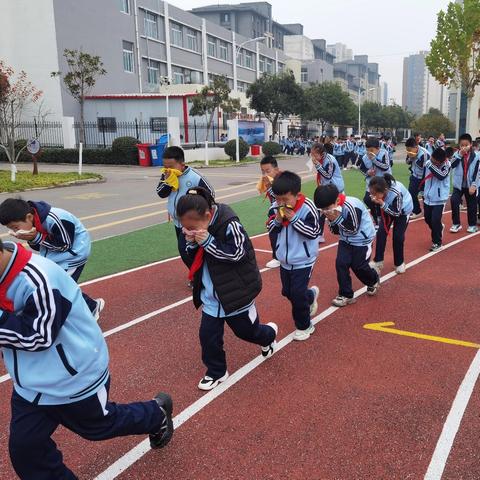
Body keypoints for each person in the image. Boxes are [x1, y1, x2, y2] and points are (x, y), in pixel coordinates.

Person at [0, 240, 173, 479]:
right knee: (26, 449)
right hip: (30, 384)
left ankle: (155, 414)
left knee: (98, 427)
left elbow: (39, 337)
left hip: (72, 377)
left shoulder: (39, 279)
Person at [177, 187, 277, 391]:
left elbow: (238, 255)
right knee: (208, 336)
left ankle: (268, 335)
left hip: (236, 293)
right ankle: (217, 371)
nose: (189, 231)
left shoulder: (229, 223)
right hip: (212, 296)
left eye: (192, 228)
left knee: (248, 332)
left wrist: (208, 242)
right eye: (185, 229)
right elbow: (192, 259)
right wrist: (192, 243)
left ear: (207, 215)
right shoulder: (195, 228)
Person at [0, 198, 104, 320]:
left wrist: (36, 237)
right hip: (55, 256)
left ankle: (90, 309)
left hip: (74, 255)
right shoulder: (33, 221)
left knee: (60, 286)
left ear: (29, 217)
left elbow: (64, 244)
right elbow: (40, 246)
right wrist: (33, 238)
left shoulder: (55, 218)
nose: (14, 231)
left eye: (15, 227)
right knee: (58, 285)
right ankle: (90, 306)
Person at [268, 171, 321, 341]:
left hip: (304, 260)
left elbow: (314, 233)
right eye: (278, 199)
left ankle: (305, 326)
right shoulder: (276, 207)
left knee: (297, 294)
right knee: (287, 292)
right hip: (285, 260)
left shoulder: (308, 207)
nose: (281, 203)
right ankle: (311, 296)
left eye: (285, 199)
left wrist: (294, 219)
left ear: (297, 195)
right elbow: (271, 230)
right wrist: (276, 220)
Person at [314, 184, 380, 307]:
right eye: (321, 209)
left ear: (337, 200)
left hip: (362, 240)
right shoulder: (330, 211)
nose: (324, 211)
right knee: (341, 263)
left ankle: (373, 279)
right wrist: (332, 220)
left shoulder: (352, 206)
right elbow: (335, 231)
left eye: (326, 208)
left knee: (358, 266)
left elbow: (354, 229)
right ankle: (346, 294)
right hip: (345, 239)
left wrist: (336, 219)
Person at [156, 146, 215, 281]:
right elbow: (160, 193)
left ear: (182, 164)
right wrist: (168, 183)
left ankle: (200, 277)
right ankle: (197, 275)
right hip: (178, 222)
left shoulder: (195, 177)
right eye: (165, 166)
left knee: (186, 250)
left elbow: (210, 195)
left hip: (192, 223)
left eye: (171, 166)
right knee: (185, 252)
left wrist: (198, 215)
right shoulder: (167, 175)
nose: (167, 169)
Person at [368, 174, 413, 274]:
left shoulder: (396, 193)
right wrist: (378, 202)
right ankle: (378, 260)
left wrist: (382, 204)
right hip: (388, 207)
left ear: (384, 191)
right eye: (371, 193)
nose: (372, 196)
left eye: (375, 194)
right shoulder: (379, 187)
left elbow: (397, 213)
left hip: (403, 211)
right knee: (380, 233)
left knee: (398, 237)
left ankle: (399, 263)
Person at [311, 142, 345, 243]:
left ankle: (346, 230)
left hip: (336, 189)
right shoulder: (321, 159)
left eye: (314, 154)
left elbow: (327, 175)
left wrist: (317, 165)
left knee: (338, 211)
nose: (312, 156)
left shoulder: (330, 160)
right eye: (311, 154)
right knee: (321, 210)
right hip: (327, 188)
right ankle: (320, 234)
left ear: (321, 153)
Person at [421, 147, 452, 251]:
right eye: (432, 160)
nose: (432, 162)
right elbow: (423, 176)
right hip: (428, 196)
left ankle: (437, 242)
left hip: (440, 198)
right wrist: (422, 190)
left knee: (435, 220)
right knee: (427, 219)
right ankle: (439, 228)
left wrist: (430, 166)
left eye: (435, 161)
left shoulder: (447, 165)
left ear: (441, 161)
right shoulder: (429, 162)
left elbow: (441, 176)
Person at [449, 133, 480, 234]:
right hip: (458, 185)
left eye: (466, 145)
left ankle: (472, 225)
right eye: (462, 145)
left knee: (472, 205)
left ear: (471, 144)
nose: (464, 147)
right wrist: (459, 155)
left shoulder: (476, 156)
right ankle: (456, 224)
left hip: (471, 185)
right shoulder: (457, 154)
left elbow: (478, 171)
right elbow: (451, 165)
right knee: (454, 200)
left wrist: (474, 185)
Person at [359, 138, 392, 223]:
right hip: (371, 183)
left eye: (371, 150)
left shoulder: (384, 153)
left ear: (378, 148)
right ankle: (375, 216)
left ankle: (382, 217)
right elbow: (361, 168)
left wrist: (374, 159)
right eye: (367, 150)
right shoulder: (364, 157)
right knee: (367, 200)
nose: (369, 152)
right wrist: (368, 172)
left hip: (383, 181)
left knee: (380, 200)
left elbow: (386, 167)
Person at [257, 155, 282, 268]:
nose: (265, 174)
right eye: (263, 171)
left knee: (275, 231)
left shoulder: (281, 180)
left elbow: (280, 198)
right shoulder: (272, 180)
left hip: (283, 210)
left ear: (276, 170)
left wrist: (269, 187)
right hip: (275, 209)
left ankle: (278, 258)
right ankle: (280, 256)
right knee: (275, 231)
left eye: (268, 171)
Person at [405, 136, 430, 219]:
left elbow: (426, 170)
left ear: (416, 147)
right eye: (407, 150)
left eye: (409, 150)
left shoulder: (424, 154)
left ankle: (428, 212)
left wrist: (423, 183)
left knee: (425, 195)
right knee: (411, 193)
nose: (408, 151)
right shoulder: (411, 152)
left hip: (424, 178)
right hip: (415, 176)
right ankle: (417, 211)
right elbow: (407, 162)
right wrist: (411, 157)